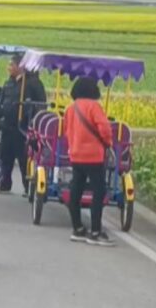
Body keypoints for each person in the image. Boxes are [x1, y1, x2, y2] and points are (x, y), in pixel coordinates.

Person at [64, 77, 115, 246]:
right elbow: (105, 128)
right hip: (93, 156)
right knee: (98, 192)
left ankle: (77, 228)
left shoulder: (70, 109)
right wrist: (108, 143)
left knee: (76, 191)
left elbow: (67, 131)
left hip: (76, 155)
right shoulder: (94, 107)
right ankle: (95, 231)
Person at [0, 54, 46, 195]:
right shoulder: (8, 84)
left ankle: (27, 186)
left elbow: (41, 104)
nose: (9, 68)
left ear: (21, 66)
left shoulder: (33, 83)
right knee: (5, 156)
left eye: (11, 65)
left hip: (23, 127)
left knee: (24, 158)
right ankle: (5, 183)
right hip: (8, 126)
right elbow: (2, 104)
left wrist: (34, 121)